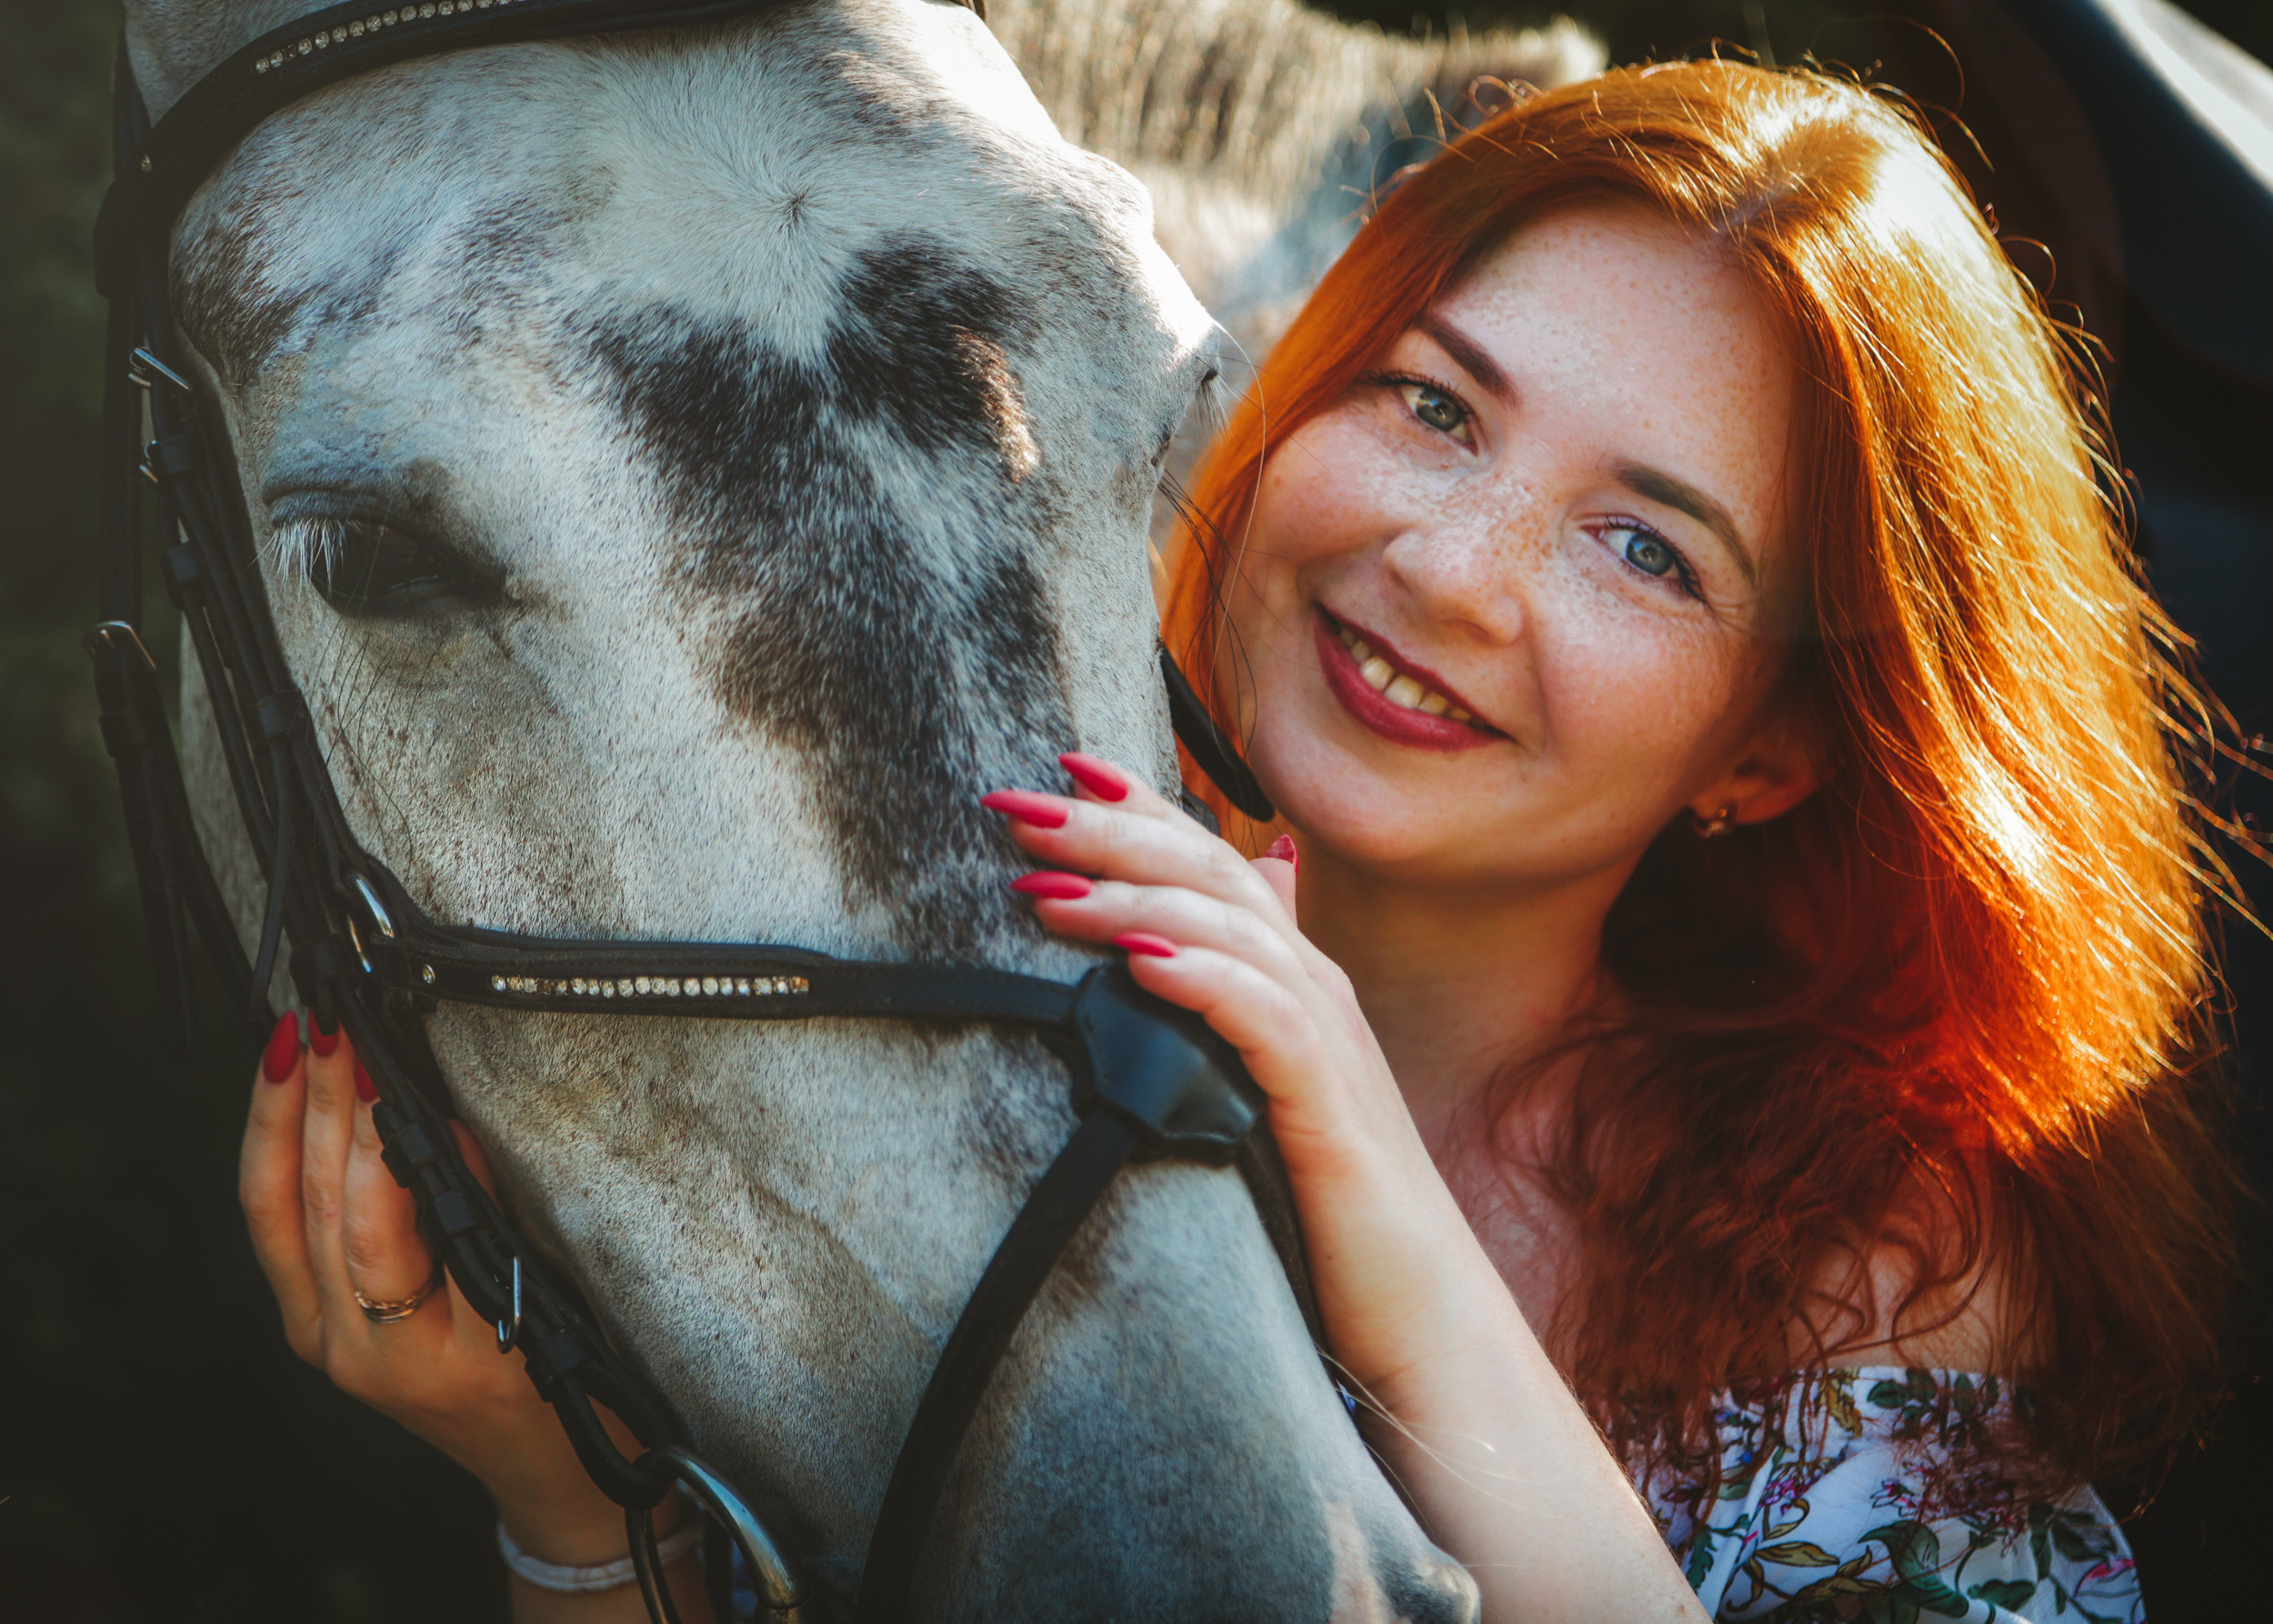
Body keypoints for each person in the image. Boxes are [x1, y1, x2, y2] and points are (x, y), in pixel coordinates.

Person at [239, 59, 2243, 1622]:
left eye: (1643, 546)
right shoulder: (965, 979)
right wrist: (568, 1507)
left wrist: (1357, 1146)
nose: (1448, 570)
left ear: (1770, 755)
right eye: (1433, 405)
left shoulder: (1863, 1259)